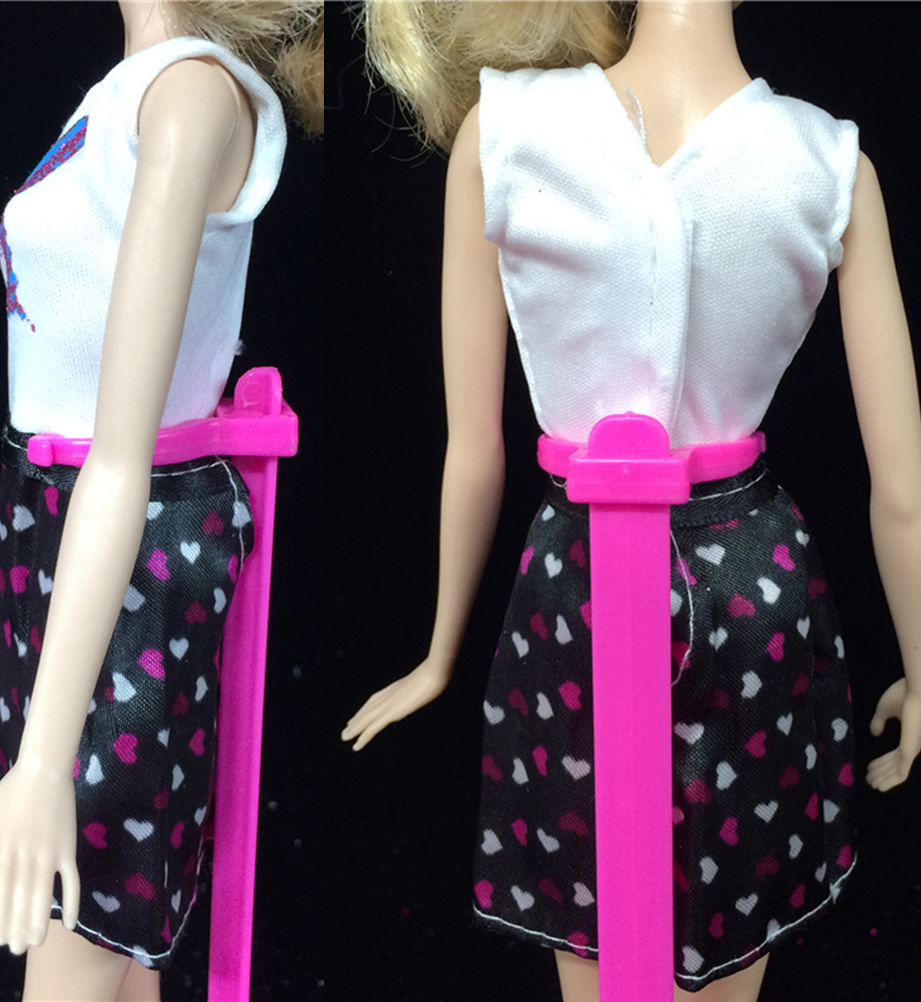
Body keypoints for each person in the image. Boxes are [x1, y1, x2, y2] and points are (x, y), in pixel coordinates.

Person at [341, 2, 921, 999]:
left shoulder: (510, 133)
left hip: (592, 591)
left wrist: (442, 653)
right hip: (738, 588)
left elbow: (474, 447)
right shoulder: (828, 166)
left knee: (608, 938)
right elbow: (902, 488)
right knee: (686, 940)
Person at [0, 2, 322, 999]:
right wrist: (24, 579)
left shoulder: (191, 96)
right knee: (113, 953)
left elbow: (122, 458)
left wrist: (43, 763)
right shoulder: (127, 95)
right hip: (65, 539)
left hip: (131, 551)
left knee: (83, 929)